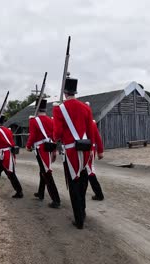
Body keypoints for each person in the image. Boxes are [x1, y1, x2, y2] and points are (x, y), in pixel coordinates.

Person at [53, 76, 94, 229]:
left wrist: (56, 138)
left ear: (65, 93)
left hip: (70, 151)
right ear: (75, 92)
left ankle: (79, 220)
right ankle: (82, 212)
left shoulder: (59, 109)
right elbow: (90, 132)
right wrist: (90, 150)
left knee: (74, 184)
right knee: (83, 182)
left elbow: (56, 132)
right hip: (85, 149)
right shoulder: (86, 107)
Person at [26, 99, 61, 208]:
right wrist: (54, 150)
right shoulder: (51, 120)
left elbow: (32, 136)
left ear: (36, 109)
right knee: (43, 171)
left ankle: (56, 200)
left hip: (41, 149)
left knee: (47, 173)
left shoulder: (33, 121)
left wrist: (28, 146)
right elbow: (54, 136)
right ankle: (41, 193)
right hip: (49, 147)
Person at [85, 117, 105, 201]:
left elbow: (97, 138)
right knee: (87, 171)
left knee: (90, 172)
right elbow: (98, 138)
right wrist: (100, 151)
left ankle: (99, 194)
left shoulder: (85, 123)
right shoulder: (92, 123)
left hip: (86, 149)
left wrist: (100, 151)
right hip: (91, 149)